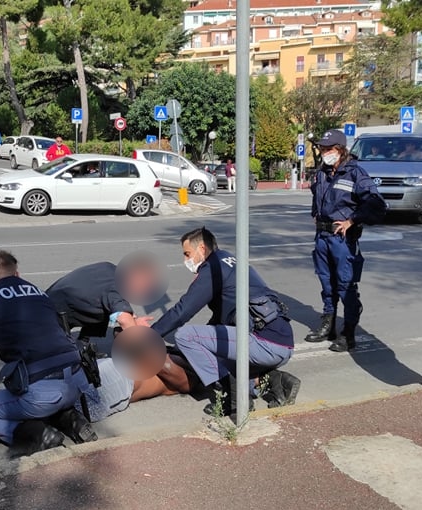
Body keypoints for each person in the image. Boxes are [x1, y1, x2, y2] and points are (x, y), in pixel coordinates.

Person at [0, 250, 92, 469]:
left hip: (43, 395)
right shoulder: (40, 294)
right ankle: (68, 418)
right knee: (43, 389)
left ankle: (36, 435)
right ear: (17, 274)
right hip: (78, 383)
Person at [151, 227, 301, 415]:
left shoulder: (213, 268)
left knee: (185, 336)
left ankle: (234, 397)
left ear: (202, 249)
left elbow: (183, 311)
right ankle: (273, 380)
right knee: (208, 358)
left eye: (187, 254)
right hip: (282, 344)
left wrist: (150, 336)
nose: (185, 260)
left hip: (263, 343)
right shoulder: (230, 260)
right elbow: (218, 325)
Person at [306, 129, 387, 352]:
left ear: (340, 150)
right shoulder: (322, 173)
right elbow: (317, 196)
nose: (324, 152)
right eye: (322, 148)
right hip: (322, 237)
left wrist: (352, 221)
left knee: (346, 285)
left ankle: (348, 332)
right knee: (326, 284)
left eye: (329, 149)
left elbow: (376, 203)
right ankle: (328, 325)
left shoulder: (355, 174)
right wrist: (316, 214)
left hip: (342, 240)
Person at [46, 258, 156, 343]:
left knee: (104, 307)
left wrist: (134, 320)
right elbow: (124, 320)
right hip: (54, 313)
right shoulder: (116, 289)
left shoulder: (111, 269)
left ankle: (84, 342)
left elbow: (119, 306)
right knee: (61, 352)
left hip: (55, 297)